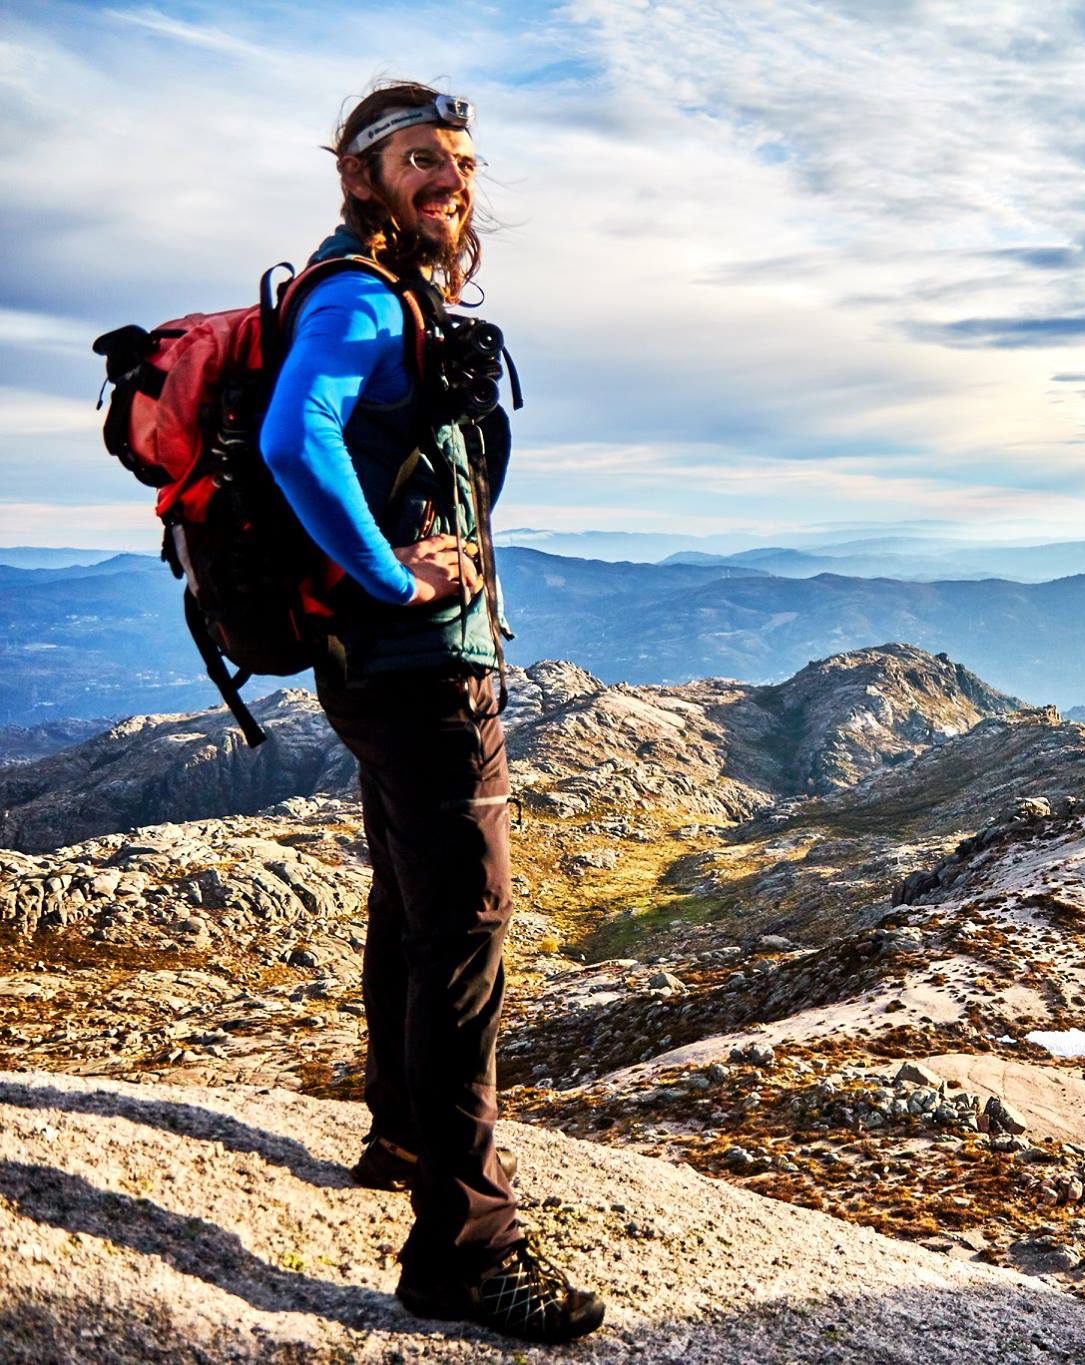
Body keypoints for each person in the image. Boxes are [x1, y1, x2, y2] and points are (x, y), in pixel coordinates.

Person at [257, 80, 603, 1344]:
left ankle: (401, 1135)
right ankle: (464, 1247)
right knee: (465, 936)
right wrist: (397, 575)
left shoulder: (385, 290)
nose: (444, 177)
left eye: (457, 159)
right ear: (361, 179)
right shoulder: (357, 292)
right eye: (415, 159)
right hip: (419, 665)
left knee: (409, 900)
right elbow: (300, 440)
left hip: (375, 664)